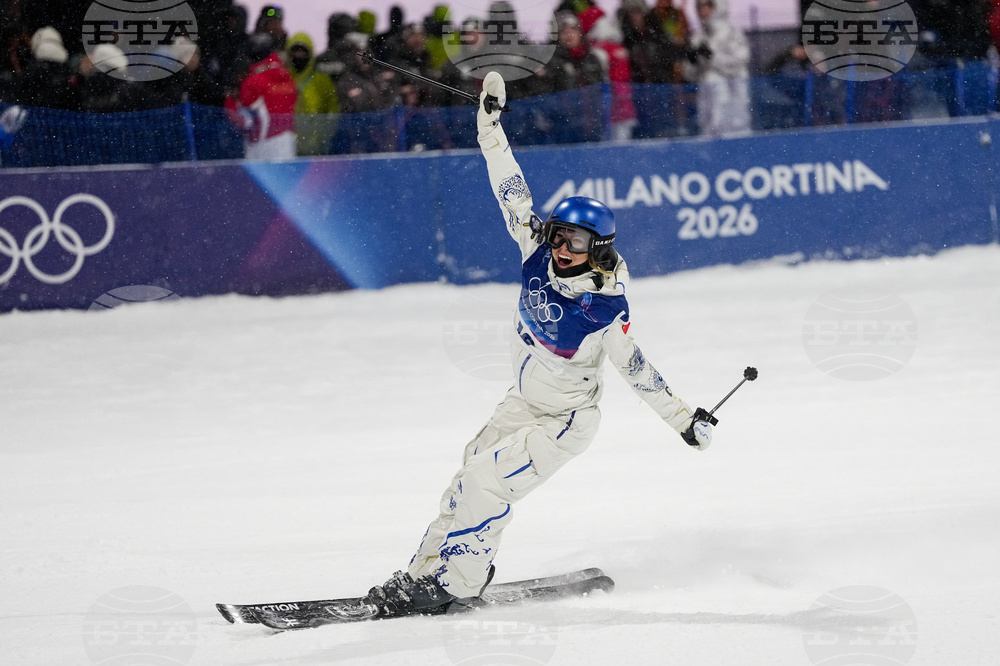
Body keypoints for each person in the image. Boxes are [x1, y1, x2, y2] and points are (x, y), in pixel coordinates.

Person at [362, 71, 713, 616]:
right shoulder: (535, 250)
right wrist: (489, 126)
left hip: (565, 421)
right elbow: (509, 183)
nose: (563, 249)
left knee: (486, 483)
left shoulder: (603, 307)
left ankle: (459, 583)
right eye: (559, 236)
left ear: (599, 249)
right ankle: (424, 574)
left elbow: (638, 370)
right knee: (465, 479)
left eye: (577, 242)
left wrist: (685, 420)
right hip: (522, 402)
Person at [225, 33, 297, 161]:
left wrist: (230, 100)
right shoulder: (287, 77)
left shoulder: (253, 81)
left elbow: (244, 120)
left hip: (263, 144)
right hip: (288, 140)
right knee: (286, 173)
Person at [688, 0, 750, 136]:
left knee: (734, 137)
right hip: (707, 109)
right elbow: (692, 76)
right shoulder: (698, 37)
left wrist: (713, 57)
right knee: (709, 135)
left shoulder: (732, 33)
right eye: (700, 7)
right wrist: (691, 62)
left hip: (732, 104)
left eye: (708, 6)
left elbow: (739, 63)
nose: (704, 11)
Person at [285, 32, 339, 156]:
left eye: (303, 52)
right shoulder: (282, 79)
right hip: (287, 144)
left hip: (315, 145)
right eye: (295, 52)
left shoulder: (322, 80)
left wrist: (324, 135)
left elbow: (333, 110)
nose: (299, 56)